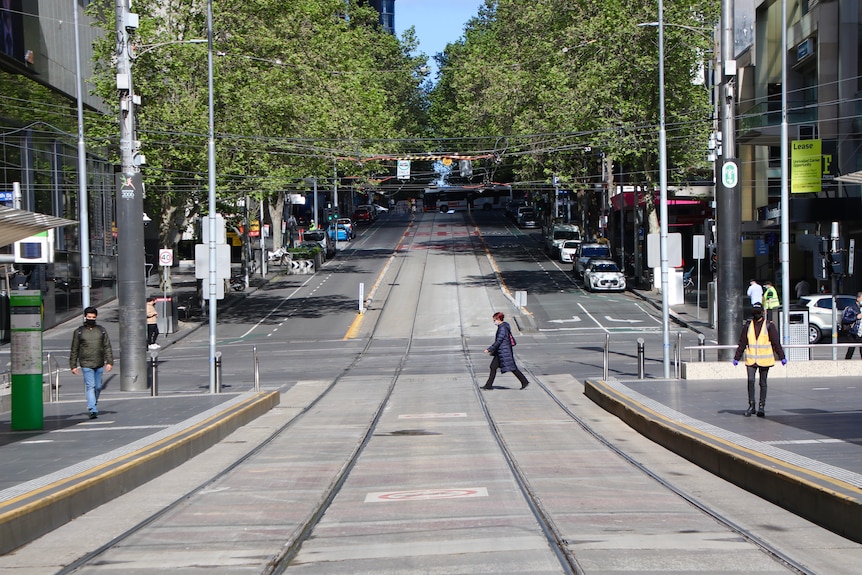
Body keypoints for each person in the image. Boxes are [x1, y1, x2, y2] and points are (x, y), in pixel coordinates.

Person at [733, 302, 786, 417]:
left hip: (764, 360)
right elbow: (742, 343)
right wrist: (737, 357)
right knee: (751, 381)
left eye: (758, 312)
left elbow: (776, 343)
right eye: (754, 313)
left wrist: (782, 357)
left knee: (763, 383)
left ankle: (761, 406)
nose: (756, 315)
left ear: (762, 312)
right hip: (751, 359)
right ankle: (751, 405)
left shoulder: (769, 326)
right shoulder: (748, 326)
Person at [70, 307, 114, 419]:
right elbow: (74, 349)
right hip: (86, 363)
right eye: (89, 317)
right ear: (85, 317)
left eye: (93, 317)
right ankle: (92, 409)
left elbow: (107, 346)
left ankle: (93, 403)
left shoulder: (101, 330)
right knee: (91, 386)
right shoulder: (79, 332)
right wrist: (73, 365)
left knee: (98, 387)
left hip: (99, 362)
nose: (91, 319)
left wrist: (109, 362)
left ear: (96, 317)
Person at [482, 311, 529, 390]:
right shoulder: (503, 326)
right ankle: (488, 385)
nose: (494, 322)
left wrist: (489, 349)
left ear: (499, 319)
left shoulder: (502, 328)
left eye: (494, 320)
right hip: (501, 351)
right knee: (493, 367)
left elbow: (499, 340)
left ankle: (524, 381)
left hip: (504, 351)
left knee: (512, 368)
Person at [842, 292, 862, 359]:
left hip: (861, 332)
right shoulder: (851, 308)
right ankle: (846, 363)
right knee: (851, 349)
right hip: (853, 332)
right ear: (858, 299)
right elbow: (845, 319)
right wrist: (856, 317)